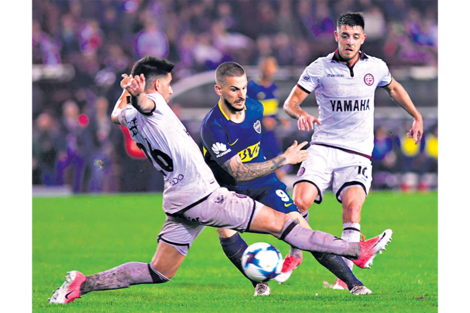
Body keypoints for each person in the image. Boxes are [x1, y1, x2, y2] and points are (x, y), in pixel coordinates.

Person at [49, 56, 393, 304]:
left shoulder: (129, 115)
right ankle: (355, 250)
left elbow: (115, 114)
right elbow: (149, 103)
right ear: (155, 86)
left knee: (159, 271)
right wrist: (138, 94)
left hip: (177, 198)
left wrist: (126, 94)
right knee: (287, 226)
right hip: (205, 195)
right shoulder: (152, 101)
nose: (169, 92)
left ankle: (82, 284)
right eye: (167, 85)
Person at [201, 61, 376, 296]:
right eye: (234, 89)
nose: (241, 95)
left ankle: (355, 284)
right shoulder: (212, 126)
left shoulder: (255, 108)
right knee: (225, 230)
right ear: (218, 90)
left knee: (304, 231)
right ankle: (259, 283)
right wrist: (284, 160)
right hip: (228, 189)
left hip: (264, 184)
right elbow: (238, 172)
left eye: (243, 88)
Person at [283, 12, 422, 290]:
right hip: (323, 146)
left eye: (355, 36)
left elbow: (393, 88)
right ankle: (295, 253)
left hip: (357, 152)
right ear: (336, 36)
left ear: (363, 39)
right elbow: (291, 102)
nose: (350, 41)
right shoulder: (319, 68)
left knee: (352, 207)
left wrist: (416, 116)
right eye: (345, 35)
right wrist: (301, 113)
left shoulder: (376, 67)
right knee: (299, 201)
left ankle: (343, 277)